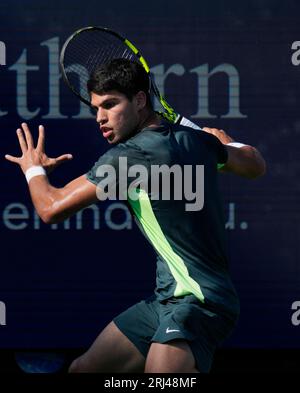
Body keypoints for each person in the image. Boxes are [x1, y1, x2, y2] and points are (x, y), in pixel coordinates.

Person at [5, 58, 266, 373]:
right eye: (96, 108)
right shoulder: (197, 142)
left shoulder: (130, 158)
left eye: (110, 105)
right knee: (82, 370)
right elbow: (254, 165)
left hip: (199, 301)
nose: (100, 118)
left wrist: (33, 169)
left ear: (140, 100)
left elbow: (50, 208)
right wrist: (228, 142)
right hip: (167, 299)